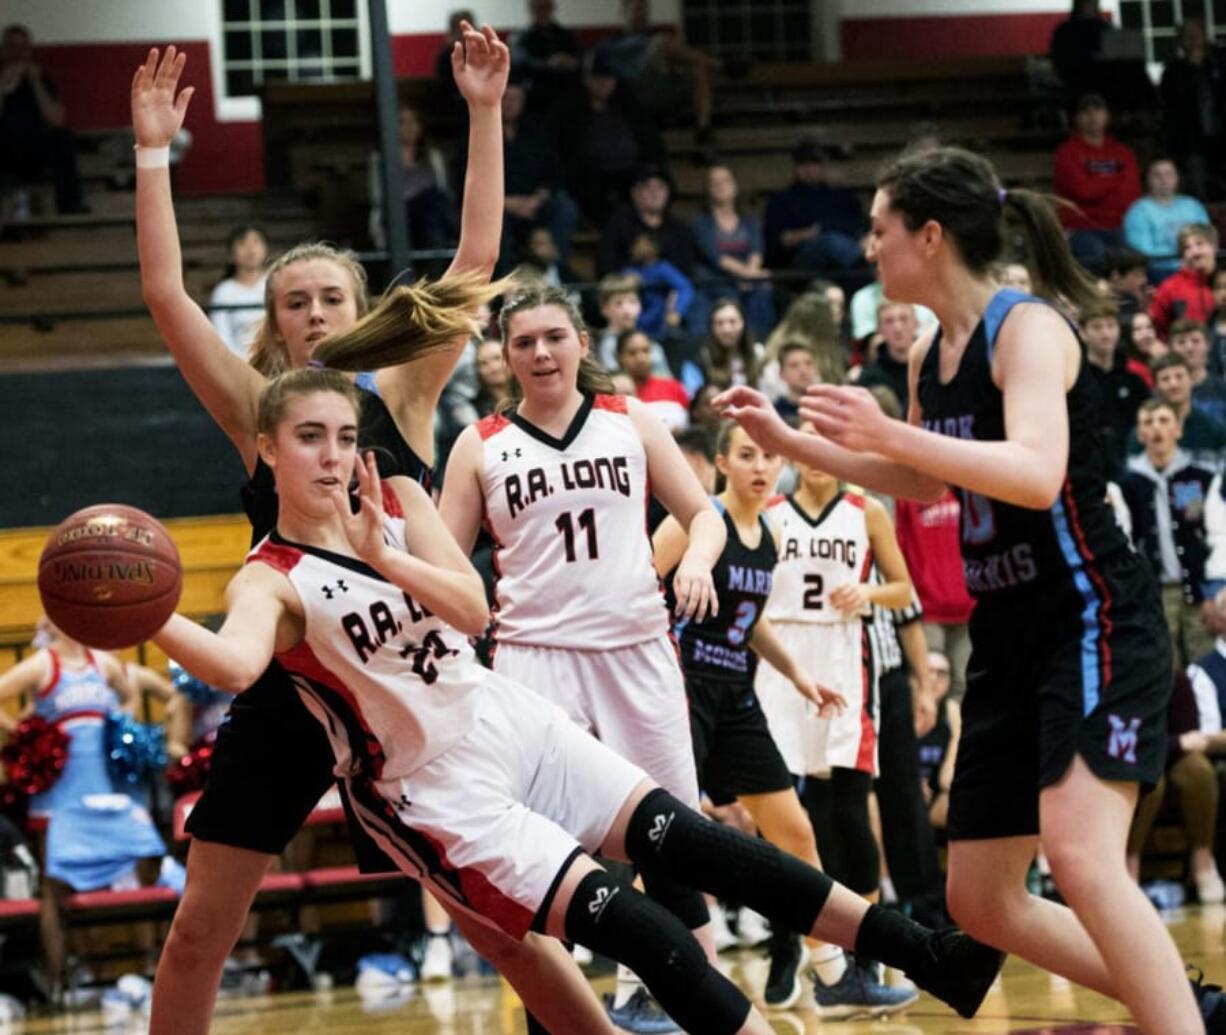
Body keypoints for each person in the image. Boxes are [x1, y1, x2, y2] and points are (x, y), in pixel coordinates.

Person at [150, 367, 1004, 1035]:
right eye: (309, 438)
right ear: (267, 448)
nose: (334, 454)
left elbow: (473, 609)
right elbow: (231, 665)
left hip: (502, 716)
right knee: (645, 932)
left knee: (705, 849)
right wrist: (154, 617)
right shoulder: (271, 576)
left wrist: (390, 554)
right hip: (432, 792)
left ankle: (934, 956)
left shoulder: (397, 499)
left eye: (343, 435)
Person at [131, 37, 621, 1035]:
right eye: (293, 304)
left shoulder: (403, 387)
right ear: (272, 329)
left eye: (329, 300)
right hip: (290, 691)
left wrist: (483, 110)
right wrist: (152, 158)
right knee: (196, 934)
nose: (313, 315)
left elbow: (477, 263)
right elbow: (168, 299)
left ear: (362, 314)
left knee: (495, 930)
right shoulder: (257, 405)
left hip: (405, 690)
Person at [715, 145, 1218, 1030]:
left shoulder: (1028, 328)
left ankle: (1174, 1015)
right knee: (981, 899)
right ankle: (1178, 1001)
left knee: (1081, 857)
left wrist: (894, 439)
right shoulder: (929, 357)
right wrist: (791, 444)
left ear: (932, 235)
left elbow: (1031, 472)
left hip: (1089, 616)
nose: (868, 248)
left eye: (881, 230)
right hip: (1010, 633)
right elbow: (924, 483)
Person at [439, 282, 728, 1030]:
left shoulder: (631, 420)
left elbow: (704, 513)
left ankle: (702, 1008)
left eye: (553, 337)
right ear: (502, 356)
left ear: (582, 343)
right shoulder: (480, 442)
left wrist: (695, 558)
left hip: (636, 649)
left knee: (673, 851)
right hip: (533, 664)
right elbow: (444, 566)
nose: (540, 352)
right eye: (524, 341)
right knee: (543, 869)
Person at [652, 422, 916, 1015]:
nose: (760, 466)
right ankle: (638, 985)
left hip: (734, 695)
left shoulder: (768, 531)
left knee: (795, 833)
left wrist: (797, 675)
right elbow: (637, 586)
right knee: (664, 834)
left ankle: (831, 975)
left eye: (769, 456)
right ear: (721, 461)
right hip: (681, 687)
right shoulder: (694, 522)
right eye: (746, 455)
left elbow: (751, 621)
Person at [0, 623, 166, 994]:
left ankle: (129, 972)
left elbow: (128, 695)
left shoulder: (103, 664)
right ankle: (61, 981)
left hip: (102, 793)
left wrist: (121, 725)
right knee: (54, 888)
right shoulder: (43, 665)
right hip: (58, 798)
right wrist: (24, 736)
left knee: (123, 873)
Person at [1121, 398, 1220, 669]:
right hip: (1155, 595)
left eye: (1164, 421)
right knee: (1167, 673)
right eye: (1148, 422)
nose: (1156, 429)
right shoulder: (1128, 485)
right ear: (1140, 434)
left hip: (1199, 591)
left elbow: (1216, 534)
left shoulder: (1202, 477)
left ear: (1178, 429)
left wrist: (1215, 588)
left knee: (1207, 668)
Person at [1127, 669, 1226, 903]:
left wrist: (1174, 745)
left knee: (1198, 770)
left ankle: (1203, 862)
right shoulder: (1114, 677)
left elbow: (1190, 736)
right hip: (1132, 760)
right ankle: (1129, 866)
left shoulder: (1176, 679)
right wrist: (1175, 743)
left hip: (1171, 756)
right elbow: (1128, 741)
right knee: (1151, 780)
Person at [553, 51, 665, 227]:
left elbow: (651, 145)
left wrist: (651, 172)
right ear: (587, 79)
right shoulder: (571, 112)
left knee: (652, 186)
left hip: (631, 172)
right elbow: (568, 154)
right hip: (591, 176)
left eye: (609, 78)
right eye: (598, 78)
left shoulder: (629, 108)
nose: (604, 84)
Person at [493, 71, 579, 273]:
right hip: (499, 207)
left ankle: (555, 272)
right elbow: (467, 181)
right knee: (494, 222)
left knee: (565, 207)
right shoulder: (477, 133)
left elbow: (554, 173)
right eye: (506, 97)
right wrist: (505, 203)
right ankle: (502, 283)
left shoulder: (537, 132)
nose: (510, 103)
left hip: (535, 204)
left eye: (516, 98)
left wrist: (537, 199)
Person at [894, 490, 974, 704]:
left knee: (963, 686)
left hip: (968, 606)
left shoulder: (965, 489)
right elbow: (898, 548)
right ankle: (924, 737)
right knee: (926, 683)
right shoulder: (908, 491)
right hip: (925, 609)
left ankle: (958, 738)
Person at [0, 24, 85, 214]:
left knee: (63, 138)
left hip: (34, 147)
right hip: (4, 147)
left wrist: (36, 82)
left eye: (22, 47)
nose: (17, 53)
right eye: (12, 47)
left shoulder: (42, 78)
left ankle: (70, 206)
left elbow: (56, 120)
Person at [1052, 93, 1141, 271]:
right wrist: (1114, 181)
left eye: (1098, 110)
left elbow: (1131, 193)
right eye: (1085, 111)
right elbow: (1083, 191)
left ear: (1107, 115)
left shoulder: (1122, 152)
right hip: (1079, 227)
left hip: (1118, 225)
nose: (1092, 116)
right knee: (1100, 262)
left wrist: (1098, 183)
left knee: (1131, 265)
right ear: (1076, 118)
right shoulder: (1066, 153)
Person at [691, 164, 774, 339]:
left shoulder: (750, 221)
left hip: (747, 279)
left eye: (726, 181)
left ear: (735, 186)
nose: (721, 185)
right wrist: (746, 275)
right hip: (716, 280)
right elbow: (716, 257)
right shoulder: (701, 223)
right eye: (715, 182)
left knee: (763, 288)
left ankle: (758, 343)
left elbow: (756, 252)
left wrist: (750, 275)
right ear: (707, 189)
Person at [764, 141, 867, 272]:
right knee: (831, 242)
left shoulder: (841, 196)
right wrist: (806, 234)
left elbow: (861, 225)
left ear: (823, 166)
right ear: (795, 167)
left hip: (846, 259)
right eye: (803, 163)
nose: (809, 169)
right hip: (802, 262)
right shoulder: (782, 200)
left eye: (815, 163)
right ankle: (866, 266)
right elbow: (778, 241)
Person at [368, 103, 457, 253]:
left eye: (414, 121)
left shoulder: (433, 157)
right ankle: (460, 234)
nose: (409, 127)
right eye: (402, 121)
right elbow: (378, 198)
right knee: (434, 198)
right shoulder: (380, 159)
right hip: (399, 216)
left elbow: (443, 192)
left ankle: (436, 268)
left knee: (434, 216)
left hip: (429, 219)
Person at [1079, 295, 1148, 472]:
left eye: (1110, 326)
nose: (1105, 333)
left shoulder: (1133, 380)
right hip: (1090, 464)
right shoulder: (1076, 381)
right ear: (1083, 332)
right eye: (1097, 327)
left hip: (1132, 461)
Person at [1160, 19, 1225, 202]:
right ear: (1180, 41)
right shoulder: (1173, 71)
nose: (1193, 39)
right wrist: (1192, 69)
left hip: (1220, 135)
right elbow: (1173, 106)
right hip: (1191, 143)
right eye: (1187, 36)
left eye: (1196, 34)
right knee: (1199, 191)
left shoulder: (1218, 63)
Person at [1127, 353, 1226, 468]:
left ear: (1191, 380)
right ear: (1156, 386)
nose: (1173, 384)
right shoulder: (1144, 433)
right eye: (1165, 379)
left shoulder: (1214, 429)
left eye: (1179, 376)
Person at [599, 165, 696, 280]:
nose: (655, 193)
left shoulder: (679, 229)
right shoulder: (618, 225)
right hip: (629, 292)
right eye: (648, 187)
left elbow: (686, 271)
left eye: (661, 187)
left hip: (671, 292)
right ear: (634, 193)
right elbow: (607, 267)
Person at [1123, 157, 1210, 281]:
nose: (1164, 180)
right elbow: (1144, 256)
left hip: (1198, 267)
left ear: (1177, 178)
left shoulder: (1193, 206)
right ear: (1148, 179)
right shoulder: (1138, 212)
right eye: (1157, 175)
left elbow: (1208, 239)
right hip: (1162, 273)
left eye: (1169, 174)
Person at [509, 0, 583, 115]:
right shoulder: (521, 37)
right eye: (538, 8)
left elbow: (580, 59)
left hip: (565, 94)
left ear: (552, 8)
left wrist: (570, 62)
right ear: (532, 10)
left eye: (545, 8)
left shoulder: (566, 35)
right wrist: (549, 63)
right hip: (535, 96)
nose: (542, 12)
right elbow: (519, 62)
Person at [208, 224, 269, 358]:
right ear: (231, 254)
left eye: (256, 242)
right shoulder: (223, 292)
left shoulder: (275, 284)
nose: (250, 249)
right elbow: (221, 338)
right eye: (242, 243)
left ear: (265, 250)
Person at [1150, 222, 1219, 340]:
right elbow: (1155, 327)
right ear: (1182, 256)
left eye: (1200, 244)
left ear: (1214, 246)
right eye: (1187, 248)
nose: (1195, 252)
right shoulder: (1169, 287)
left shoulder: (1222, 279)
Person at [617, 328, 690, 429]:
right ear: (620, 357)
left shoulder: (673, 387)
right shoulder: (617, 392)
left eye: (645, 351)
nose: (641, 358)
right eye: (632, 353)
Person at [856, 300, 918, 413]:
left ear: (916, 323)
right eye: (889, 321)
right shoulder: (869, 378)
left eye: (904, 319)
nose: (898, 328)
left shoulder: (932, 368)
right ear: (879, 330)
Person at [1171, 317, 1226, 426]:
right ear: (1172, 348)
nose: (1189, 348)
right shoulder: (1163, 392)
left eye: (1195, 341)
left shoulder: (1223, 389)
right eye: (1181, 342)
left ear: (1208, 345)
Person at [704, 298, 761, 389]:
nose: (726, 329)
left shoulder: (758, 353)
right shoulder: (705, 358)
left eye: (732, 322)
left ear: (743, 323)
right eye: (719, 323)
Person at [772, 342, 817, 423]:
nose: (803, 370)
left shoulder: (825, 409)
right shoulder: (774, 413)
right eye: (794, 365)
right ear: (781, 374)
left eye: (808, 363)